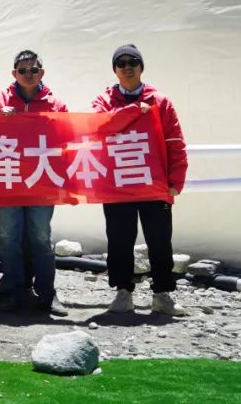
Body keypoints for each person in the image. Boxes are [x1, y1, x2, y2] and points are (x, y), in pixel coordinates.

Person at [92, 44, 188, 316]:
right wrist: (136, 111)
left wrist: (176, 180)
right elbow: (102, 124)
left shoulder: (161, 101)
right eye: (121, 63)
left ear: (141, 66)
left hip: (154, 182)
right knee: (119, 240)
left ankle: (163, 294)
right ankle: (123, 293)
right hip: (118, 183)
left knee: (160, 240)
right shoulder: (103, 100)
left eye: (133, 61)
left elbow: (175, 142)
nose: (127, 66)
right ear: (115, 69)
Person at [0, 50, 68, 316]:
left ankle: (47, 293)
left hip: (41, 182)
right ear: (13, 73)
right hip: (8, 181)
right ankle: (12, 291)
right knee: (8, 238)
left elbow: (66, 138)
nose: (28, 74)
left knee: (41, 238)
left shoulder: (55, 104)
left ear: (42, 71)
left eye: (33, 69)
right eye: (22, 70)